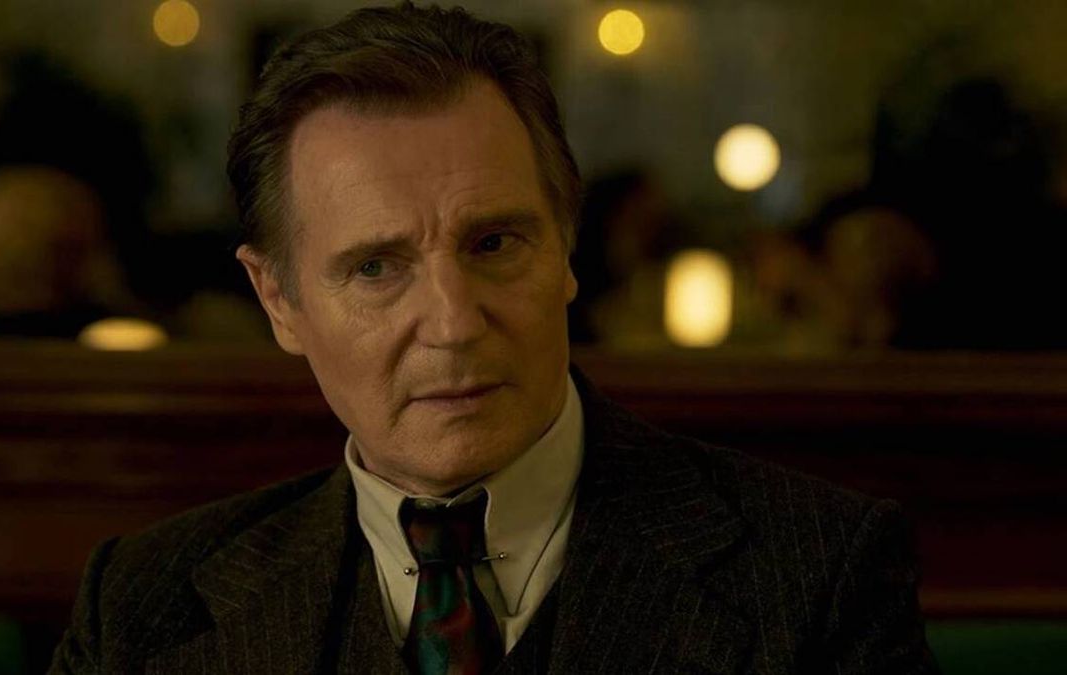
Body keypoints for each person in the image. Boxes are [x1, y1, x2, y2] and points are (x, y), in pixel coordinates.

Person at [50, 3, 938, 673]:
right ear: (279, 301)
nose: (453, 322)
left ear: (566, 251)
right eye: (375, 268)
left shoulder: (819, 575)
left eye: (494, 245)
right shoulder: (141, 608)